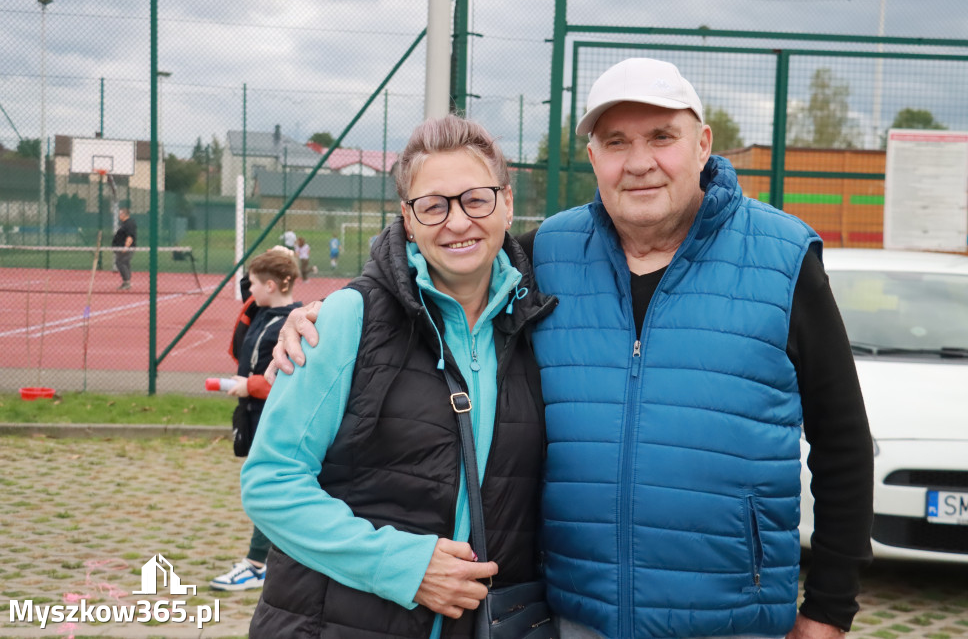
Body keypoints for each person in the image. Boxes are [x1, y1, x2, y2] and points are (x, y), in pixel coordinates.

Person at [273, 59, 874, 639]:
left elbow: (842, 441)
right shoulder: (549, 253)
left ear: (702, 144)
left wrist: (829, 607)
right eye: (615, 143)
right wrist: (339, 310)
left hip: (732, 622)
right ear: (593, 158)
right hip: (575, 618)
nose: (639, 163)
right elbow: (446, 250)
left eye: (662, 136)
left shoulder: (783, 257)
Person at [240, 114, 556, 638]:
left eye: (476, 199)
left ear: (507, 203)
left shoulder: (539, 325)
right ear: (408, 220)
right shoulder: (345, 320)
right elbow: (270, 483)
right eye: (433, 206)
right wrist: (404, 566)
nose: (457, 222)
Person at [210, 247, 302, 592]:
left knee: (269, 491)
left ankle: (256, 564)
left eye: (253, 284)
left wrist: (250, 385)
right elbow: (238, 344)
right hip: (251, 414)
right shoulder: (261, 313)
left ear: (273, 286)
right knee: (268, 489)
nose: (248, 291)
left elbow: (291, 377)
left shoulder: (296, 323)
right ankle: (273, 561)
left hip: (275, 417)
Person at [112, 206, 136, 290]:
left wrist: (126, 247)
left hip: (126, 248)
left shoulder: (129, 224)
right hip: (120, 248)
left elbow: (130, 236)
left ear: (124, 214)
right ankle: (126, 281)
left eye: (120, 214)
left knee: (120, 263)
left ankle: (126, 282)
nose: (119, 215)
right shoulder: (124, 223)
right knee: (124, 263)